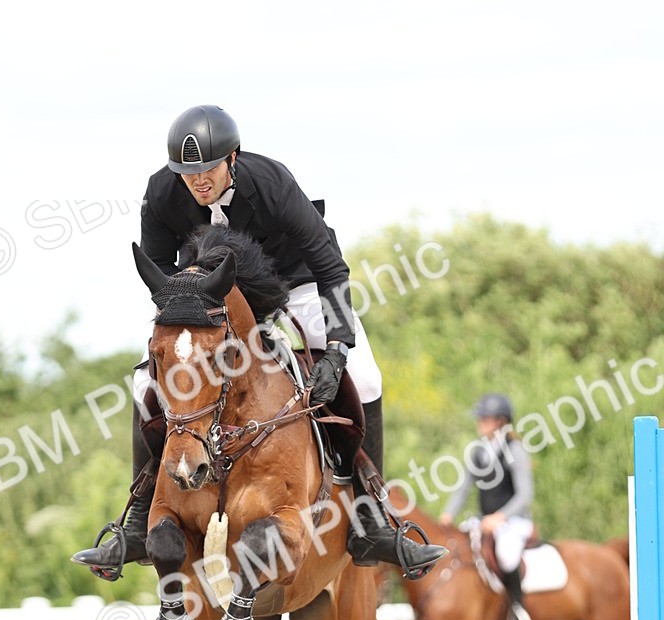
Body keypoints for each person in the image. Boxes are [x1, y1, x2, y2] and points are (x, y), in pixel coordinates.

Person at [72, 104, 444, 579]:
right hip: (213, 294)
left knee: (365, 376)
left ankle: (371, 519)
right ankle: (140, 520)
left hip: (297, 281)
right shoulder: (163, 193)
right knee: (143, 382)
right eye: (188, 173)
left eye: (207, 168)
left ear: (232, 157)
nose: (198, 181)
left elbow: (331, 267)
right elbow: (163, 282)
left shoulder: (272, 185)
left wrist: (335, 348)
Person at [440, 393, 535, 620]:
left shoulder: (515, 450)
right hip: (485, 521)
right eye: (480, 417)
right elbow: (462, 489)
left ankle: (517, 608)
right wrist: (447, 516)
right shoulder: (479, 452)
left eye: (485, 418)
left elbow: (525, 495)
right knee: (459, 547)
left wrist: (500, 517)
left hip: (513, 521)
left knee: (505, 554)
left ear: (501, 421)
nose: (480, 421)